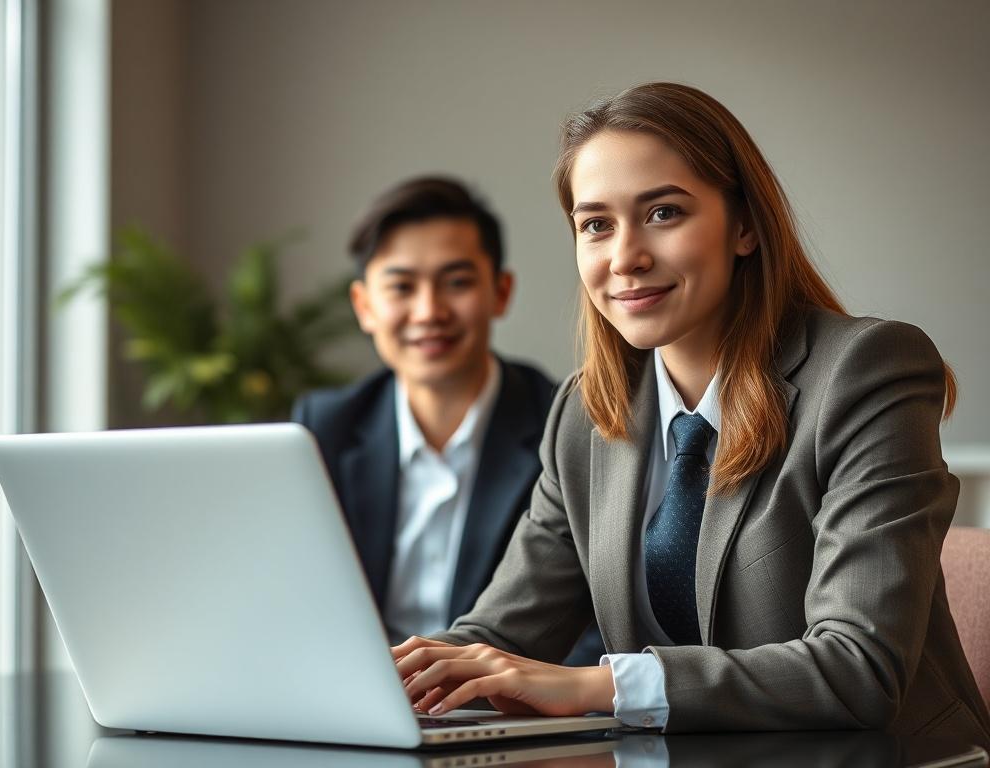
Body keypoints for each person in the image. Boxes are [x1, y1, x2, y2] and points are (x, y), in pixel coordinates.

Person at [392, 84, 990, 749]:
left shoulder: (866, 371)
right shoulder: (585, 415)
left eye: (663, 212)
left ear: (744, 226)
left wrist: (599, 686)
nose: (625, 257)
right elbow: (500, 637)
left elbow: (859, 669)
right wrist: (378, 678)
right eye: (596, 224)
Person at [292, 176, 605, 665]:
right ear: (364, 306)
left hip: (503, 697)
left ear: (500, 292)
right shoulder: (323, 428)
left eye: (457, 282)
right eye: (401, 287)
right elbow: (297, 600)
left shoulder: (568, 425)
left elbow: (596, 624)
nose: (428, 311)